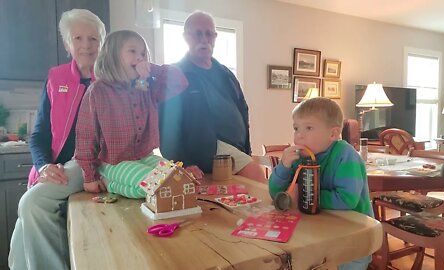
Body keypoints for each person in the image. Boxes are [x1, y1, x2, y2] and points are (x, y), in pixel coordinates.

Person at [9, 9, 106, 270]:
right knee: (18, 250)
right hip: (54, 168)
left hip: (89, 166)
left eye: (94, 39)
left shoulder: (112, 80)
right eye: (78, 38)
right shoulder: (56, 77)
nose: (86, 46)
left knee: (31, 205)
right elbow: (39, 134)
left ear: (103, 44)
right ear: (67, 44)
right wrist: (43, 166)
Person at [74, 30, 187, 198]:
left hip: (144, 157)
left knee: (179, 178)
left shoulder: (143, 87)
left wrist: (152, 69)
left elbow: (180, 81)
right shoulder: (98, 90)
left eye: (142, 53)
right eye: (132, 51)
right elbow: (85, 136)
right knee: (156, 186)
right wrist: (89, 177)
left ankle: (114, 183)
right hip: (113, 162)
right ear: (113, 55)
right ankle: (109, 182)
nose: (140, 57)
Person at [158, 10, 266, 182]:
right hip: (205, 155)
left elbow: (243, 113)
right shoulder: (175, 74)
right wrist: (183, 163)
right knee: (257, 176)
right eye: (197, 34)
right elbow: (166, 128)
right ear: (186, 37)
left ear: (215, 37)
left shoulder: (226, 74)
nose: (204, 39)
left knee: (241, 201)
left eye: (209, 34)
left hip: (236, 151)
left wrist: (247, 151)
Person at [268, 97, 373, 270]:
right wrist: (284, 167)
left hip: (352, 240)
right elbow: (276, 194)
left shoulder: (346, 155)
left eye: (308, 128)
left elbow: (347, 199)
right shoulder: (299, 158)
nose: (299, 135)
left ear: (332, 134)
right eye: (296, 128)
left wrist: (302, 197)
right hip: (319, 233)